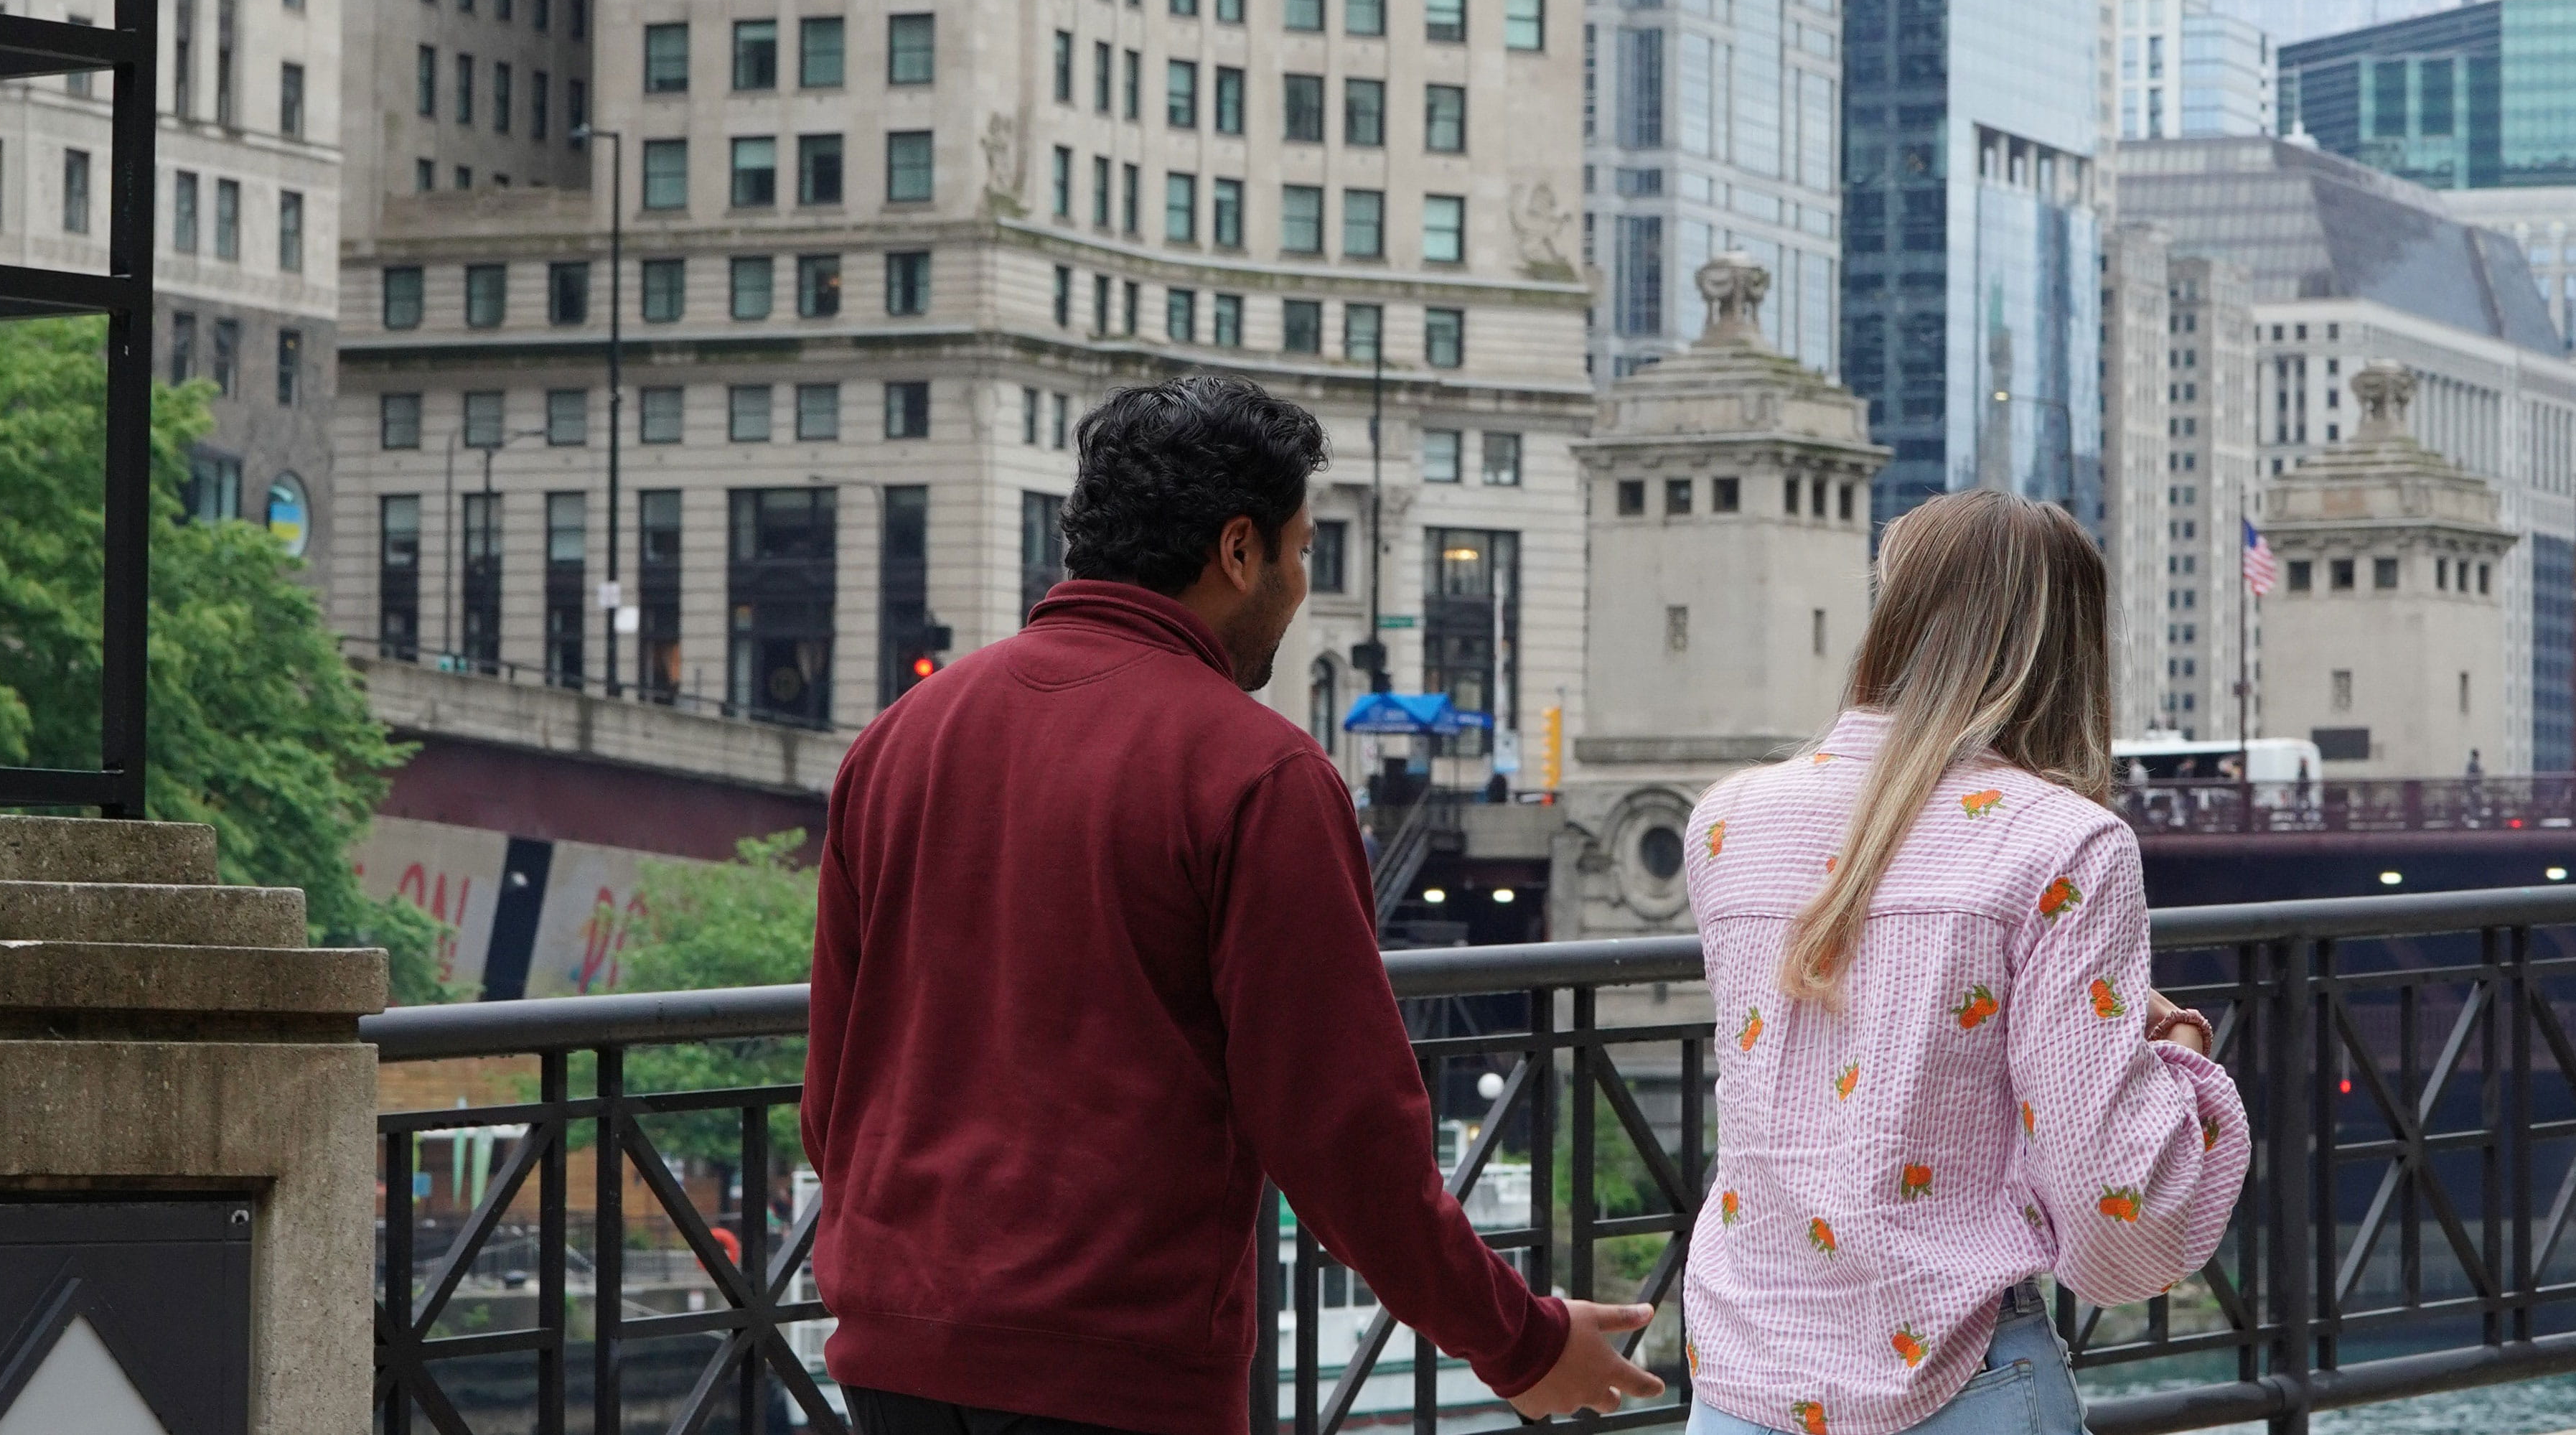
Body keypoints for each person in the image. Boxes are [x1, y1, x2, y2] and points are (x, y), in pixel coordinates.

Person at [802, 375, 1662, 1435]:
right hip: (1117, 1368)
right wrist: (1519, 1342)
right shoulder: (1258, 773)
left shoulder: (899, 738)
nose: (1301, 583)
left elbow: (831, 1093)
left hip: (893, 1348)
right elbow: (1342, 1136)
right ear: (1238, 550)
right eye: (1302, 551)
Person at [1677, 490, 2252, 1435]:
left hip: (1744, 1385)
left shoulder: (1728, 821)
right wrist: (2182, 1057)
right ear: (2072, 644)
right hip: (1960, 1381)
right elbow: (2115, 1224)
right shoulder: (2066, 844)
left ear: (1892, 612)